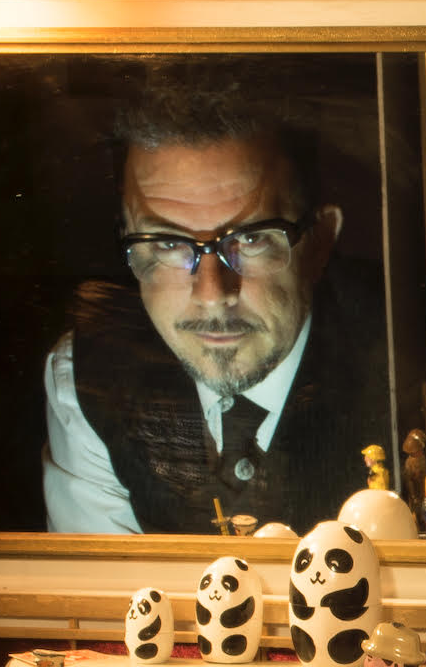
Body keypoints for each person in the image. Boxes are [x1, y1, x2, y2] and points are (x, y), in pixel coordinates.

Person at [43, 72, 389, 534]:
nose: (211, 294)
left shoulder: (403, 373)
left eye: (250, 239)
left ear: (321, 241)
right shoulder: (88, 377)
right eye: (166, 244)